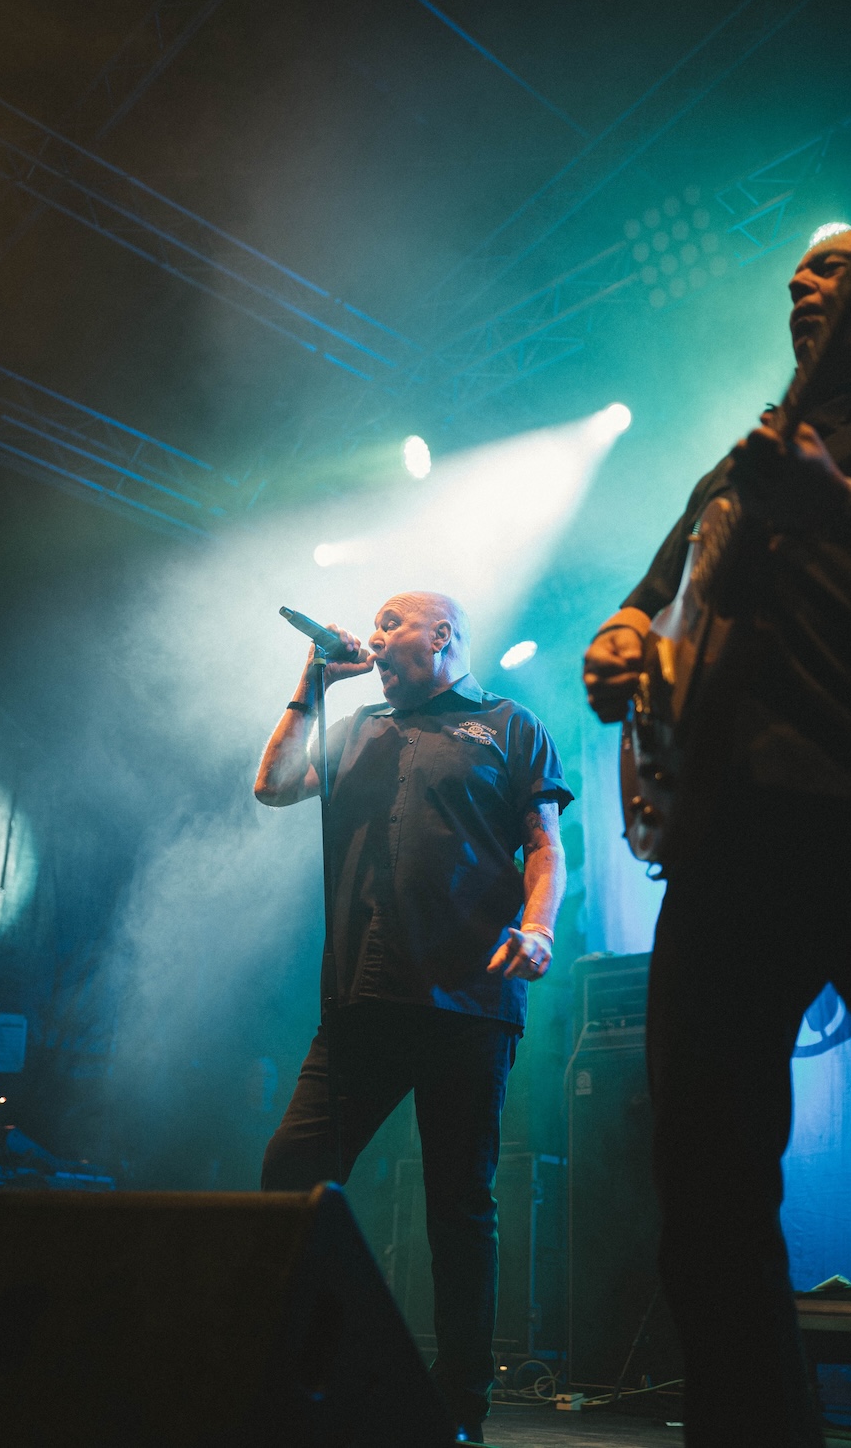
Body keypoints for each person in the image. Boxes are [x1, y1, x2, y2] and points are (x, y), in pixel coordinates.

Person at [583, 230, 851, 1446]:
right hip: (729, 844)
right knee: (705, 1193)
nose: (801, 282)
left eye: (835, 268)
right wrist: (620, 638)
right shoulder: (740, 462)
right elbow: (651, 599)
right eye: (795, 275)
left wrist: (850, 506)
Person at [255, 590, 572, 1444]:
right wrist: (313, 683)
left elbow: (545, 845)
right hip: (362, 996)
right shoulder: (359, 726)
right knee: (293, 1175)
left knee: (458, 1209)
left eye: (392, 624)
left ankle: (459, 1405)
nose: (376, 637)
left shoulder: (509, 726)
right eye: (375, 627)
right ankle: (304, 1370)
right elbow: (273, 786)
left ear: (442, 636)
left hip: (470, 999)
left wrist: (540, 930)